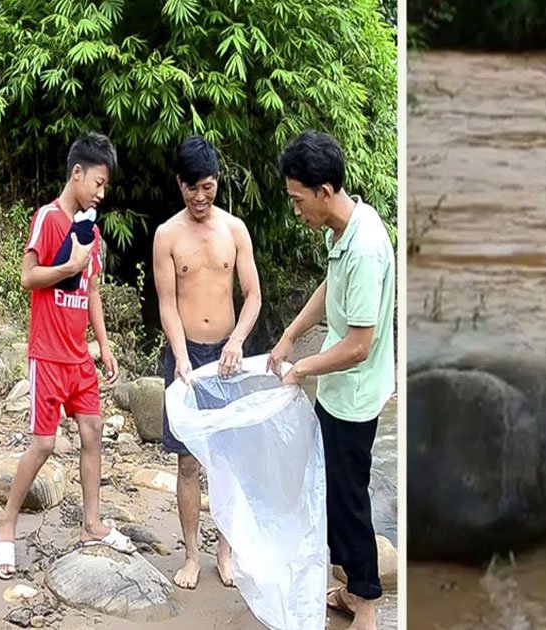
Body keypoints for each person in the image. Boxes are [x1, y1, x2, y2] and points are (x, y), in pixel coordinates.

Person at [268, 130, 395, 630]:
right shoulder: (341, 231)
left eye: (300, 200)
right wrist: (290, 335)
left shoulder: (365, 247)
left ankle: (366, 605)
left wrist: (300, 368)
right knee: (330, 493)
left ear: (325, 192)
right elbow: (329, 287)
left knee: (348, 502)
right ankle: (351, 589)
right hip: (339, 389)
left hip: (355, 397)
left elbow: (359, 345)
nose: (297, 211)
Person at [0, 131, 125, 579]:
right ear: (78, 173)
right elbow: (28, 278)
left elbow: (92, 290)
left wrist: (102, 344)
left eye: (106, 186)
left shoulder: (92, 226)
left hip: (78, 356)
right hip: (47, 354)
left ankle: (91, 524)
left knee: (92, 430)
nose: (101, 193)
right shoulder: (48, 218)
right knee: (44, 443)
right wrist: (68, 266)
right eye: (98, 183)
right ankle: (5, 524)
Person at [152, 135, 262, 590]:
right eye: (192, 188)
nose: (201, 198)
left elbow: (253, 295)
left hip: (229, 357)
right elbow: (167, 303)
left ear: (217, 183)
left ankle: (226, 549)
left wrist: (237, 340)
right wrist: (179, 355)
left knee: (230, 460)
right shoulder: (166, 235)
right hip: (186, 356)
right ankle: (192, 553)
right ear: (180, 184)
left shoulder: (234, 230)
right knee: (189, 462)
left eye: (209, 187)